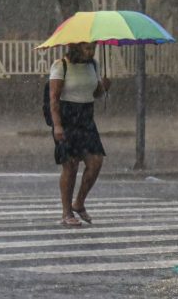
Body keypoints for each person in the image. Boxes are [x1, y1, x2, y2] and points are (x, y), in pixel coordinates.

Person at [49, 42, 110, 227]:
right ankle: (66, 212)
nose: (91, 52)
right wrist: (58, 125)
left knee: (96, 161)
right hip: (67, 118)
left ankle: (79, 202)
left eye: (93, 48)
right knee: (71, 166)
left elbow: (96, 93)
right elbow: (53, 98)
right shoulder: (61, 65)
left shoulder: (94, 65)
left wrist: (104, 86)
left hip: (86, 117)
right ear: (76, 47)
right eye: (86, 48)